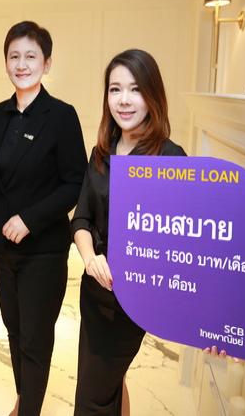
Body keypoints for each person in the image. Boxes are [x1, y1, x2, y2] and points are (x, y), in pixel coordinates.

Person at [0, 21, 87, 416]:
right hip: (4, 250)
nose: (21, 64)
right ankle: (25, 400)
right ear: (5, 62)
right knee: (14, 332)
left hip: (44, 251)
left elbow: (74, 184)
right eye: (14, 56)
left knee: (35, 341)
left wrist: (29, 219)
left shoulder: (61, 116)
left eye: (30, 56)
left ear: (47, 63)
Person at [70, 48, 186, 416]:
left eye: (135, 89)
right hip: (94, 294)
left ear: (152, 96)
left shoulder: (170, 159)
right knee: (105, 388)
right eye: (115, 89)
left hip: (134, 302)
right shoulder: (101, 153)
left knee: (91, 399)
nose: (123, 100)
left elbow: (186, 243)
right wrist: (91, 259)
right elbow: (81, 219)